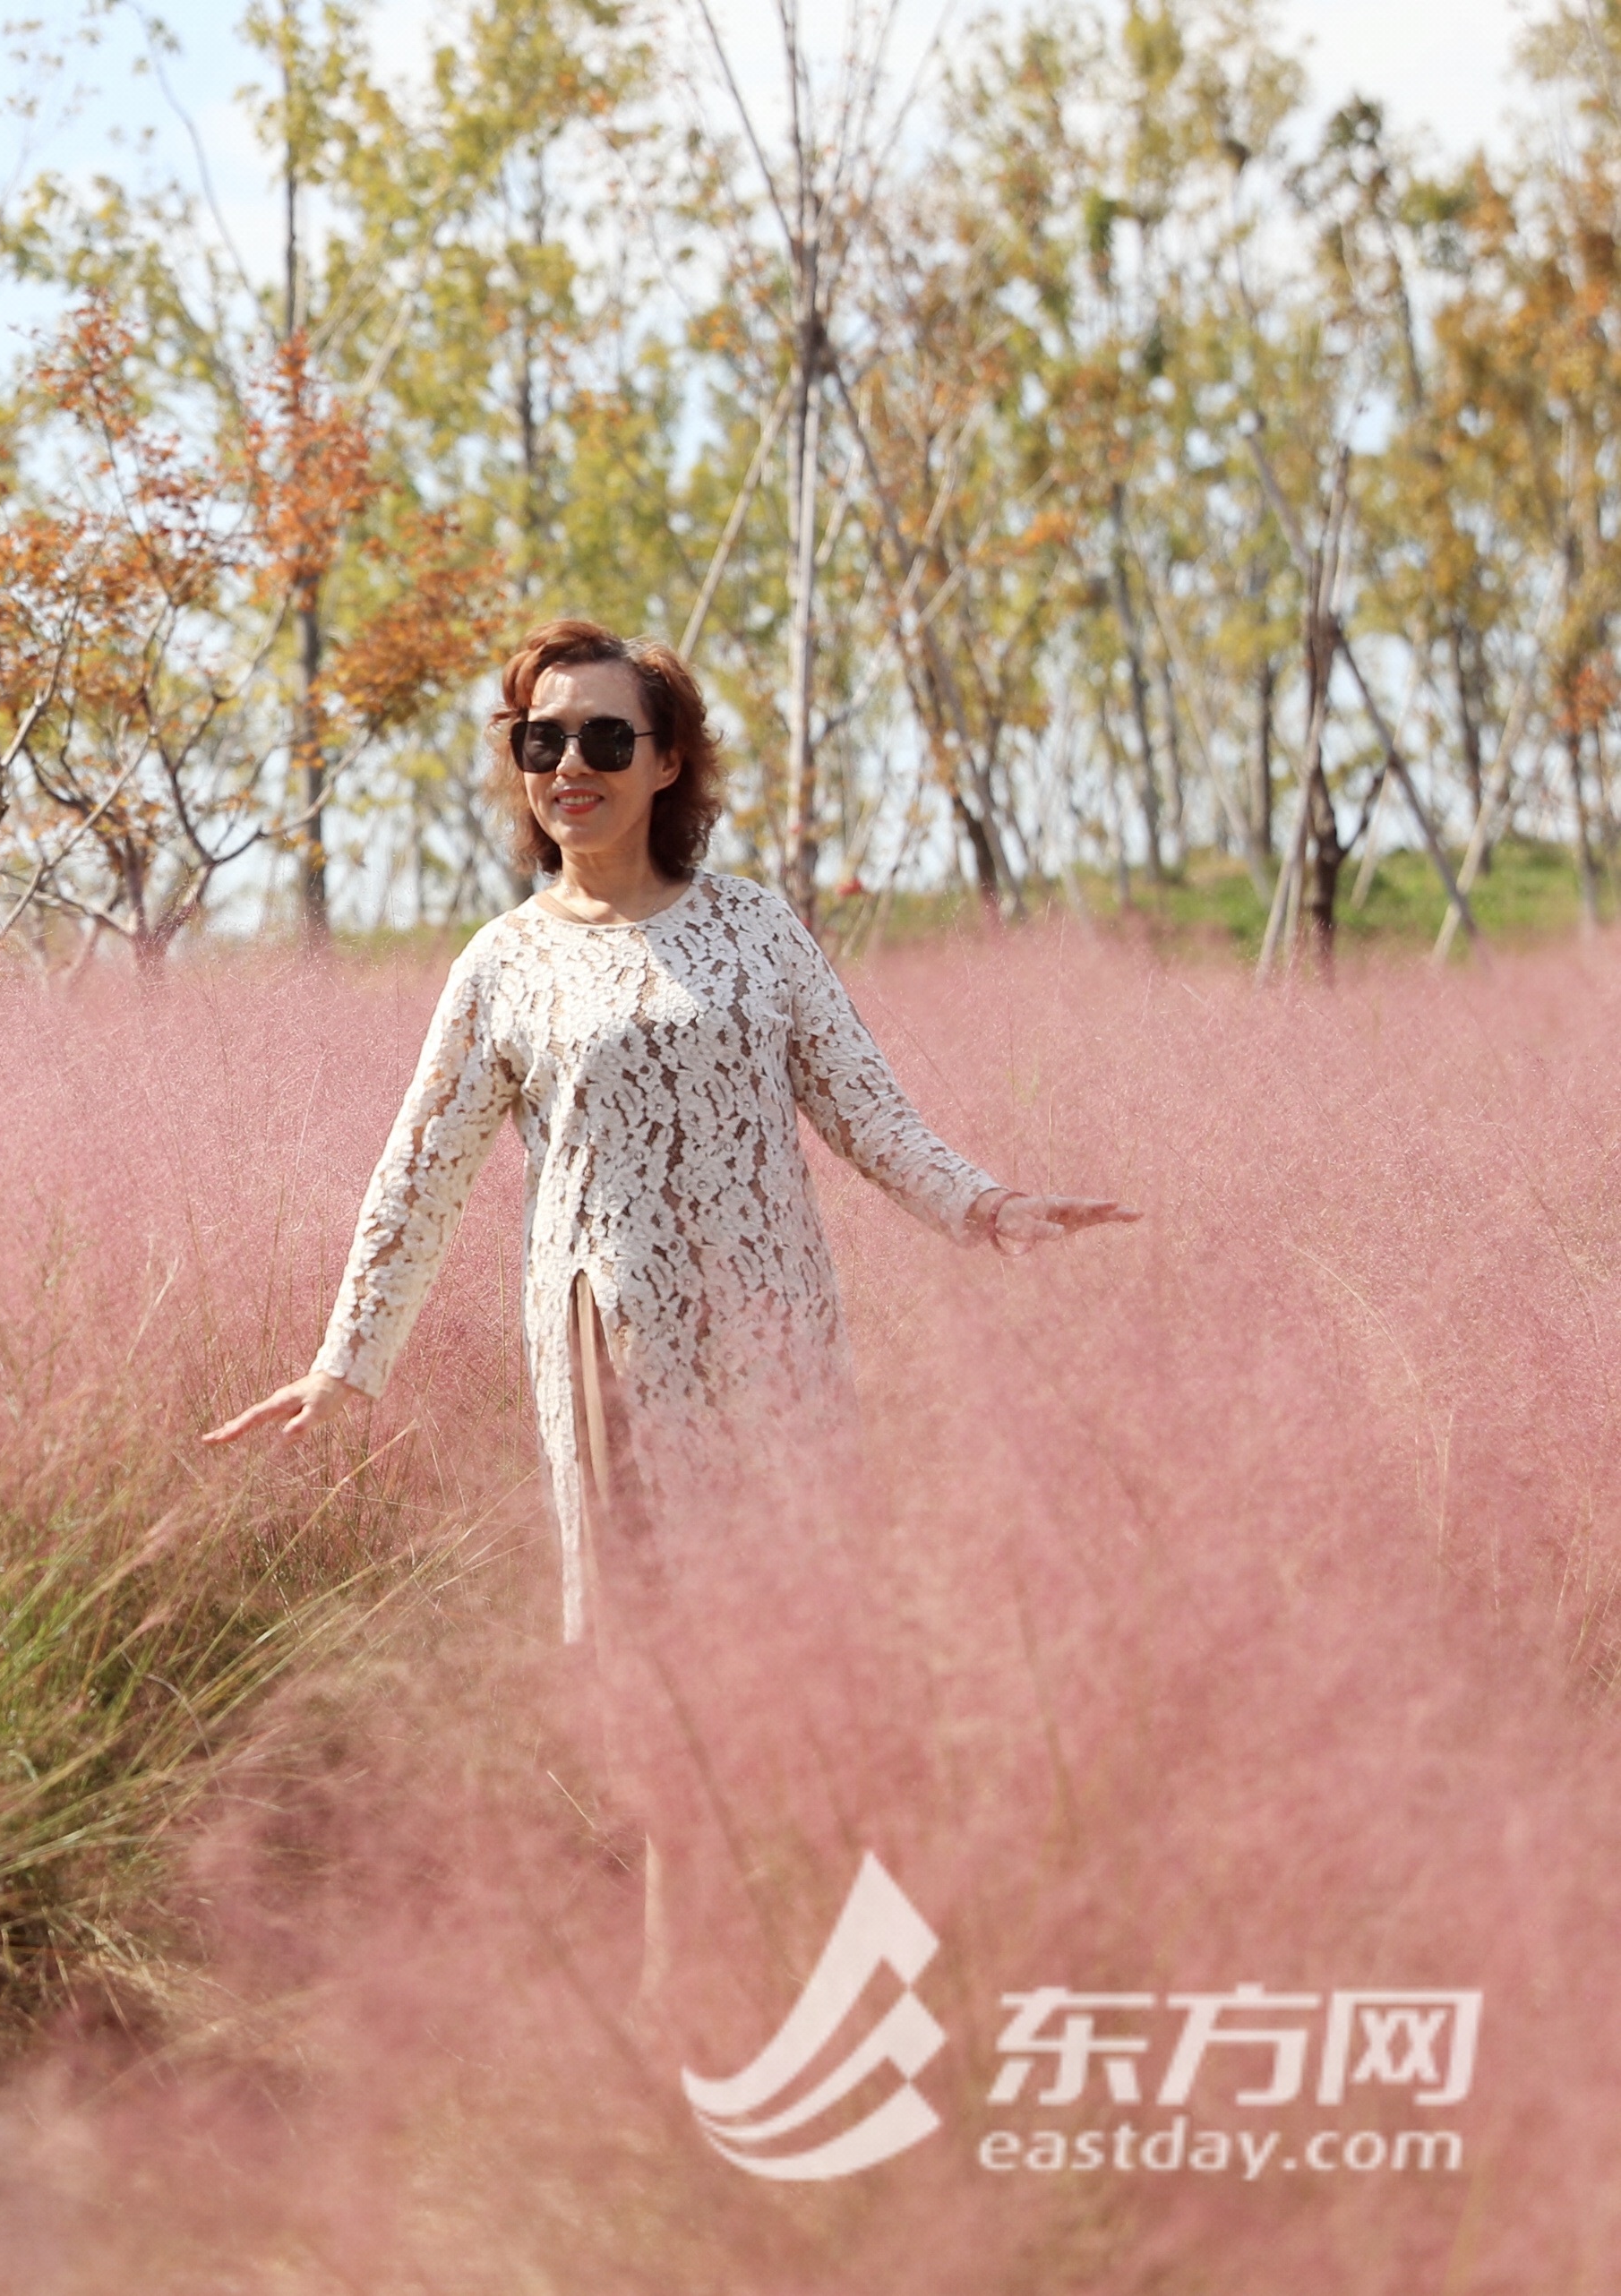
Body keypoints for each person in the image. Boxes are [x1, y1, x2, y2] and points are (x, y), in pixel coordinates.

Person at [205, 620, 1131, 2005]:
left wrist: (983, 1209)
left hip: (779, 1345)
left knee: (802, 1650)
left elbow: (862, 1105)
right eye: (539, 742)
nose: (567, 766)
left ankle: (835, 1969)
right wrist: (347, 1364)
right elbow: (420, 1172)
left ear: (664, 761)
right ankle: (676, 1992)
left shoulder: (755, 925)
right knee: (670, 1675)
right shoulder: (502, 965)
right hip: (613, 1352)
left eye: (600, 738)